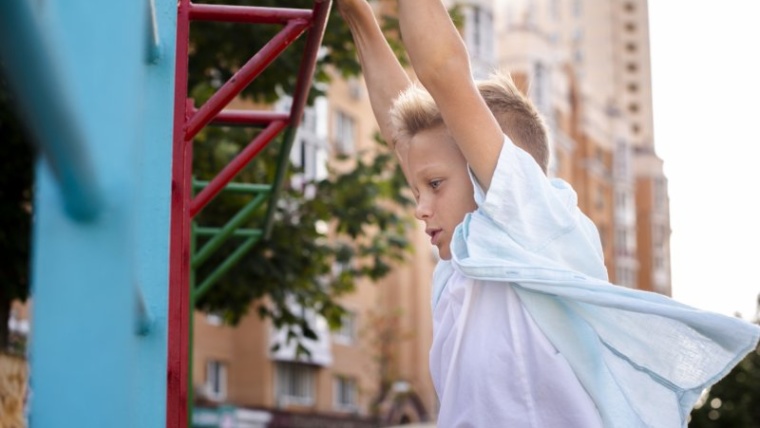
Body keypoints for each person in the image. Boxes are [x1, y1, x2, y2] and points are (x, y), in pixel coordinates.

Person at [337, 1, 760, 427]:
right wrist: (357, 16)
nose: (420, 208)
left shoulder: (529, 222)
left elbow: (444, 72)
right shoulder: (463, 266)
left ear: (494, 176)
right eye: (418, 190)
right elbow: (401, 135)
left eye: (434, 186)